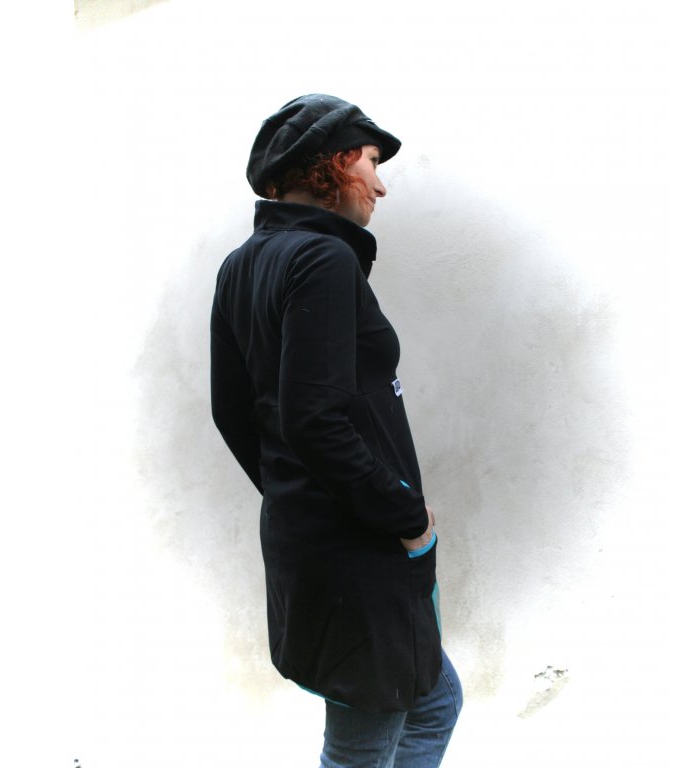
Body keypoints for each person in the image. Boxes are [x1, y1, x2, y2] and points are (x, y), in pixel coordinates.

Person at [210, 94, 461, 767]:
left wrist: (295, 497)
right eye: (372, 163)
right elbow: (314, 420)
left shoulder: (241, 264)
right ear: (334, 164)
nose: (380, 185)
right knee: (360, 750)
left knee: (434, 701)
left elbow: (233, 412)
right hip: (360, 548)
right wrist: (405, 516)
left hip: (319, 541)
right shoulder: (324, 259)